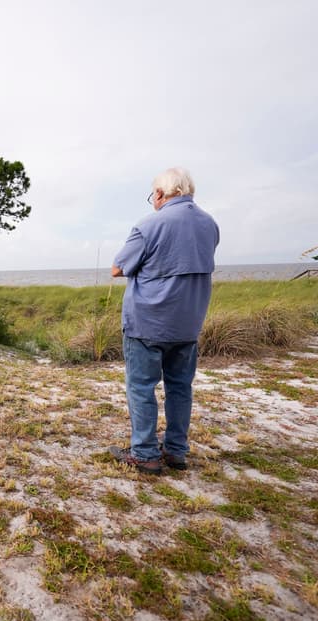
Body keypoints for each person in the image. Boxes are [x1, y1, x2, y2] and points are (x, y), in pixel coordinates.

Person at [109, 168, 220, 475]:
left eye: (152, 196)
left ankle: (144, 453)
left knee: (142, 387)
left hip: (148, 322)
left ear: (159, 194)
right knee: (180, 387)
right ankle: (175, 450)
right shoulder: (210, 225)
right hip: (188, 322)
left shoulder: (150, 224)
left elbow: (117, 268)